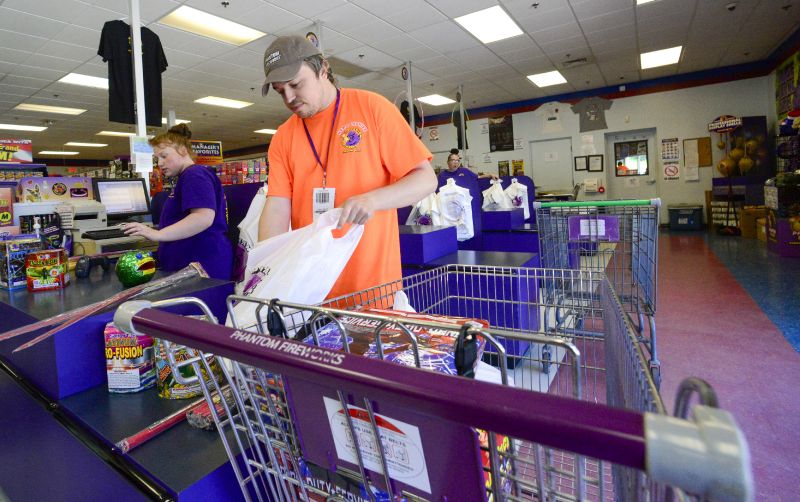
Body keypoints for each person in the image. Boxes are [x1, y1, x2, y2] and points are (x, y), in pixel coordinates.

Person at [257, 35, 437, 299]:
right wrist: (266, 269)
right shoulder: (283, 137)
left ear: (323, 69)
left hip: (374, 290)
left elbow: (425, 179)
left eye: (295, 84)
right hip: (310, 293)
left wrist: (373, 200)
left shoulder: (372, 108)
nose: (289, 97)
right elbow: (277, 206)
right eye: (280, 91)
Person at [122, 124, 233, 280]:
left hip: (203, 268)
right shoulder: (187, 177)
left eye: (164, 156)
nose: (159, 163)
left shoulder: (194, 174)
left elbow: (203, 218)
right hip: (194, 267)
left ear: (182, 150)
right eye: (156, 158)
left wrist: (156, 234)